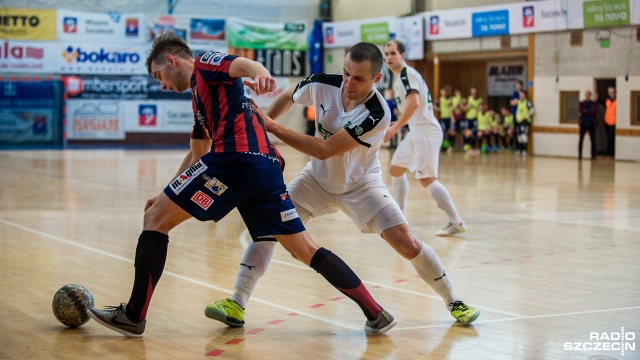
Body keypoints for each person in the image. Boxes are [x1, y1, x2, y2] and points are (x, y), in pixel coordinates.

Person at [85, 32, 396, 337]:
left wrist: (262, 75)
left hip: (236, 160)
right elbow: (197, 155)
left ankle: (133, 316)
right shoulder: (200, 99)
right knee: (304, 249)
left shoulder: (206, 63)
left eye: (160, 76)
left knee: (154, 219)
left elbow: (244, 66)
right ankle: (375, 312)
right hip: (267, 167)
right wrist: (166, 193)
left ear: (171, 60)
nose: (163, 85)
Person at [207, 41, 479, 330]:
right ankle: (237, 302)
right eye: (346, 73)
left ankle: (454, 301)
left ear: (376, 79)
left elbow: (324, 149)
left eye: (358, 78)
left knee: (406, 242)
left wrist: (271, 127)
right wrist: (263, 125)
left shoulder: (377, 114)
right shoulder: (323, 83)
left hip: (362, 185)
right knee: (268, 229)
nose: (348, 82)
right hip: (316, 181)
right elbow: (289, 95)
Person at [383, 40, 467, 236]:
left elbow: (414, 103)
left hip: (426, 131)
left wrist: (395, 127)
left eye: (393, 53)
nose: (389, 57)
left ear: (402, 55)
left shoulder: (406, 74)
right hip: (415, 130)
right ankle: (400, 218)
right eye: (386, 54)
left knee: (427, 179)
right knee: (395, 169)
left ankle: (456, 222)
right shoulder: (400, 78)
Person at [434, 87, 456, 153]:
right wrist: (440, 110)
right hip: (443, 118)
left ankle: (451, 145)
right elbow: (434, 106)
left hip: (449, 117)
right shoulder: (439, 99)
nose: (444, 93)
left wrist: (452, 117)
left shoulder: (450, 99)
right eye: (442, 92)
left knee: (451, 132)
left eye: (445, 92)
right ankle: (444, 146)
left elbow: (451, 108)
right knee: (443, 132)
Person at [462, 86, 482, 154]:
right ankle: (467, 146)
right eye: (472, 91)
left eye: (475, 91)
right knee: (466, 133)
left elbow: (481, 109)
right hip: (468, 119)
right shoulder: (469, 99)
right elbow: (463, 108)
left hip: (475, 119)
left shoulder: (480, 100)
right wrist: (467, 107)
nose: (474, 92)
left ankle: (473, 147)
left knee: (474, 133)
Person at [578, 90, 598, 160]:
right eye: (586, 94)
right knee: (581, 140)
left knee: (593, 140)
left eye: (588, 94)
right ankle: (580, 155)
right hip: (583, 124)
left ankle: (593, 155)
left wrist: (586, 111)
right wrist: (588, 111)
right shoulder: (581, 103)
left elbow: (593, 112)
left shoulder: (593, 103)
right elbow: (581, 111)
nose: (587, 95)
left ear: (590, 95)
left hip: (591, 124)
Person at [514, 90, 534, 156]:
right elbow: (518, 110)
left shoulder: (527, 102)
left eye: (523, 95)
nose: (521, 96)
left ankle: (524, 150)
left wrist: (527, 116)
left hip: (525, 121)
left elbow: (532, 110)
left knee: (524, 136)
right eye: (520, 95)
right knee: (519, 136)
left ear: (525, 95)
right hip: (519, 121)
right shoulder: (519, 102)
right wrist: (517, 117)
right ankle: (519, 150)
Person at [603, 86, 616, 157]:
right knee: (608, 137)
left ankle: (612, 152)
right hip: (607, 122)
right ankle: (608, 152)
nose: (612, 94)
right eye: (610, 93)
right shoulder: (607, 101)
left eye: (613, 92)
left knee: (612, 137)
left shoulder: (617, 101)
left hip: (614, 122)